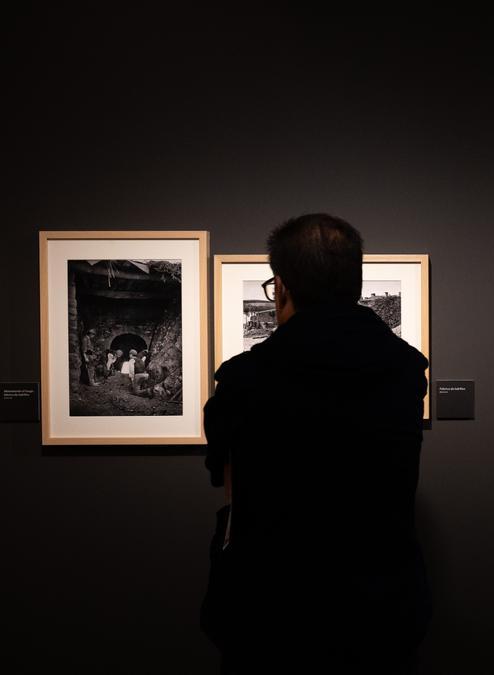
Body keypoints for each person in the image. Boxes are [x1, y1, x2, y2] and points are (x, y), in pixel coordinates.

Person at [201, 214, 430, 673]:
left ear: (281, 287)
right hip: (381, 607)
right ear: (356, 283)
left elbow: (230, 489)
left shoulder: (244, 380)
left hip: (272, 611)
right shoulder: (406, 372)